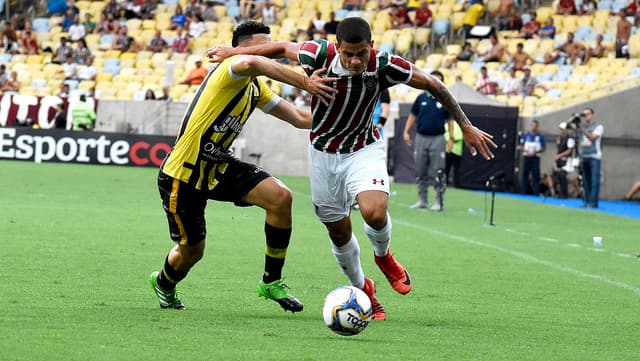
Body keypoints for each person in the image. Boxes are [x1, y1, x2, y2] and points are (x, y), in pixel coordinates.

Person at [207, 17, 496, 320]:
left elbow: (433, 84)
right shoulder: (317, 54)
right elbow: (280, 47)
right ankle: (362, 287)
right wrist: (234, 53)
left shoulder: (384, 65)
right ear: (337, 48)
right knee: (338, 229)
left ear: (372, 46)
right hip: (323, 155)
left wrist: (466, 125)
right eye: (349, 54)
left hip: (363, 149)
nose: (356, 60)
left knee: (373, 211)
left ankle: (384, 256)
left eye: (362, 53)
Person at [149, 21, 337, 312]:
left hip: (219, 167)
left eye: (271, 47)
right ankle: (164, 283)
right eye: (263, 46)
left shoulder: (255, 87)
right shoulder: (231, 68)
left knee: (280, 198)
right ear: (240, 48)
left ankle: (271, 282)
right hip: (182, 174)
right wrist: (305, 82)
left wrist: (344, 117)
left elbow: (300, 118)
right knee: (192, 251)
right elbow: (251, 60)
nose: (269, 53)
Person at [403, 70, 451, 211]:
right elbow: (413, 116)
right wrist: (406, 131)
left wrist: (451, 139)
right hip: (421, 137)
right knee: (420, 170)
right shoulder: (421, 98)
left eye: (439, 80)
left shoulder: (445, 99)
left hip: (438, 138)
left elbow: (450, 121)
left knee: (439, 171)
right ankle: (422, 200)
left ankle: (439, 202)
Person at [577, 107, 603, 208]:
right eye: (584, 114)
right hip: (584, 156)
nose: (586, 116)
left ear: (592, 115)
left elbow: (592, 137)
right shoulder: (583, 127)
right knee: (586, 181)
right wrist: (575, 117)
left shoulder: (598, 127)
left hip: (594, 156)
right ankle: (587, 201)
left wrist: (582, 130)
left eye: (588, 114)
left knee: (594, 181)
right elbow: (568, 125)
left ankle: (593, 203)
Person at [519, 119, 545, 195]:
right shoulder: (526, 135)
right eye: (533, 125)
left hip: (535, 158)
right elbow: (521, 146)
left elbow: (543, 148)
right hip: (527, 157)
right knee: (525, 174)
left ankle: (536, 193)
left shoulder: (540, 136)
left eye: (535, 126)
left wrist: (535, 152)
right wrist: (527, 151)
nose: (534, 127)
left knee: (536, 175)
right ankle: (524, 191)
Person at [552, 121, 576, 198]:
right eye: (561, 129)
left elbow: (569, 150)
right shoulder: (559, 138)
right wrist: (556, 157)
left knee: (563, 175)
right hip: (559, 160)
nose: (562, 130)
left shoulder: (570, 139)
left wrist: (559, 155)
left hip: (567, 160)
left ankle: (564, 194)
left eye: (563, 129)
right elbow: (558, 149)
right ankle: (559, 192)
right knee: (557, 175)